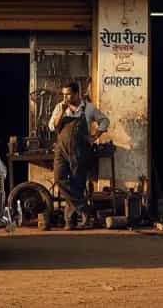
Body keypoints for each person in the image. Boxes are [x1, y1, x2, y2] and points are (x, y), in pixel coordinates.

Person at [48, 82, 110, 230]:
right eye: (63, 94)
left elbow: (105, 121)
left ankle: (69, 221)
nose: (65, 97)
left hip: (80, 151)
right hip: (61, 150)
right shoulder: (59, 107)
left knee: (77, 184)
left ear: (77, 94)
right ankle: (85, 210)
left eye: (68, 94)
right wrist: (62, 112)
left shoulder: (88, 108)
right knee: (59, 178)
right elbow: (53, 127)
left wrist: (94, 136)